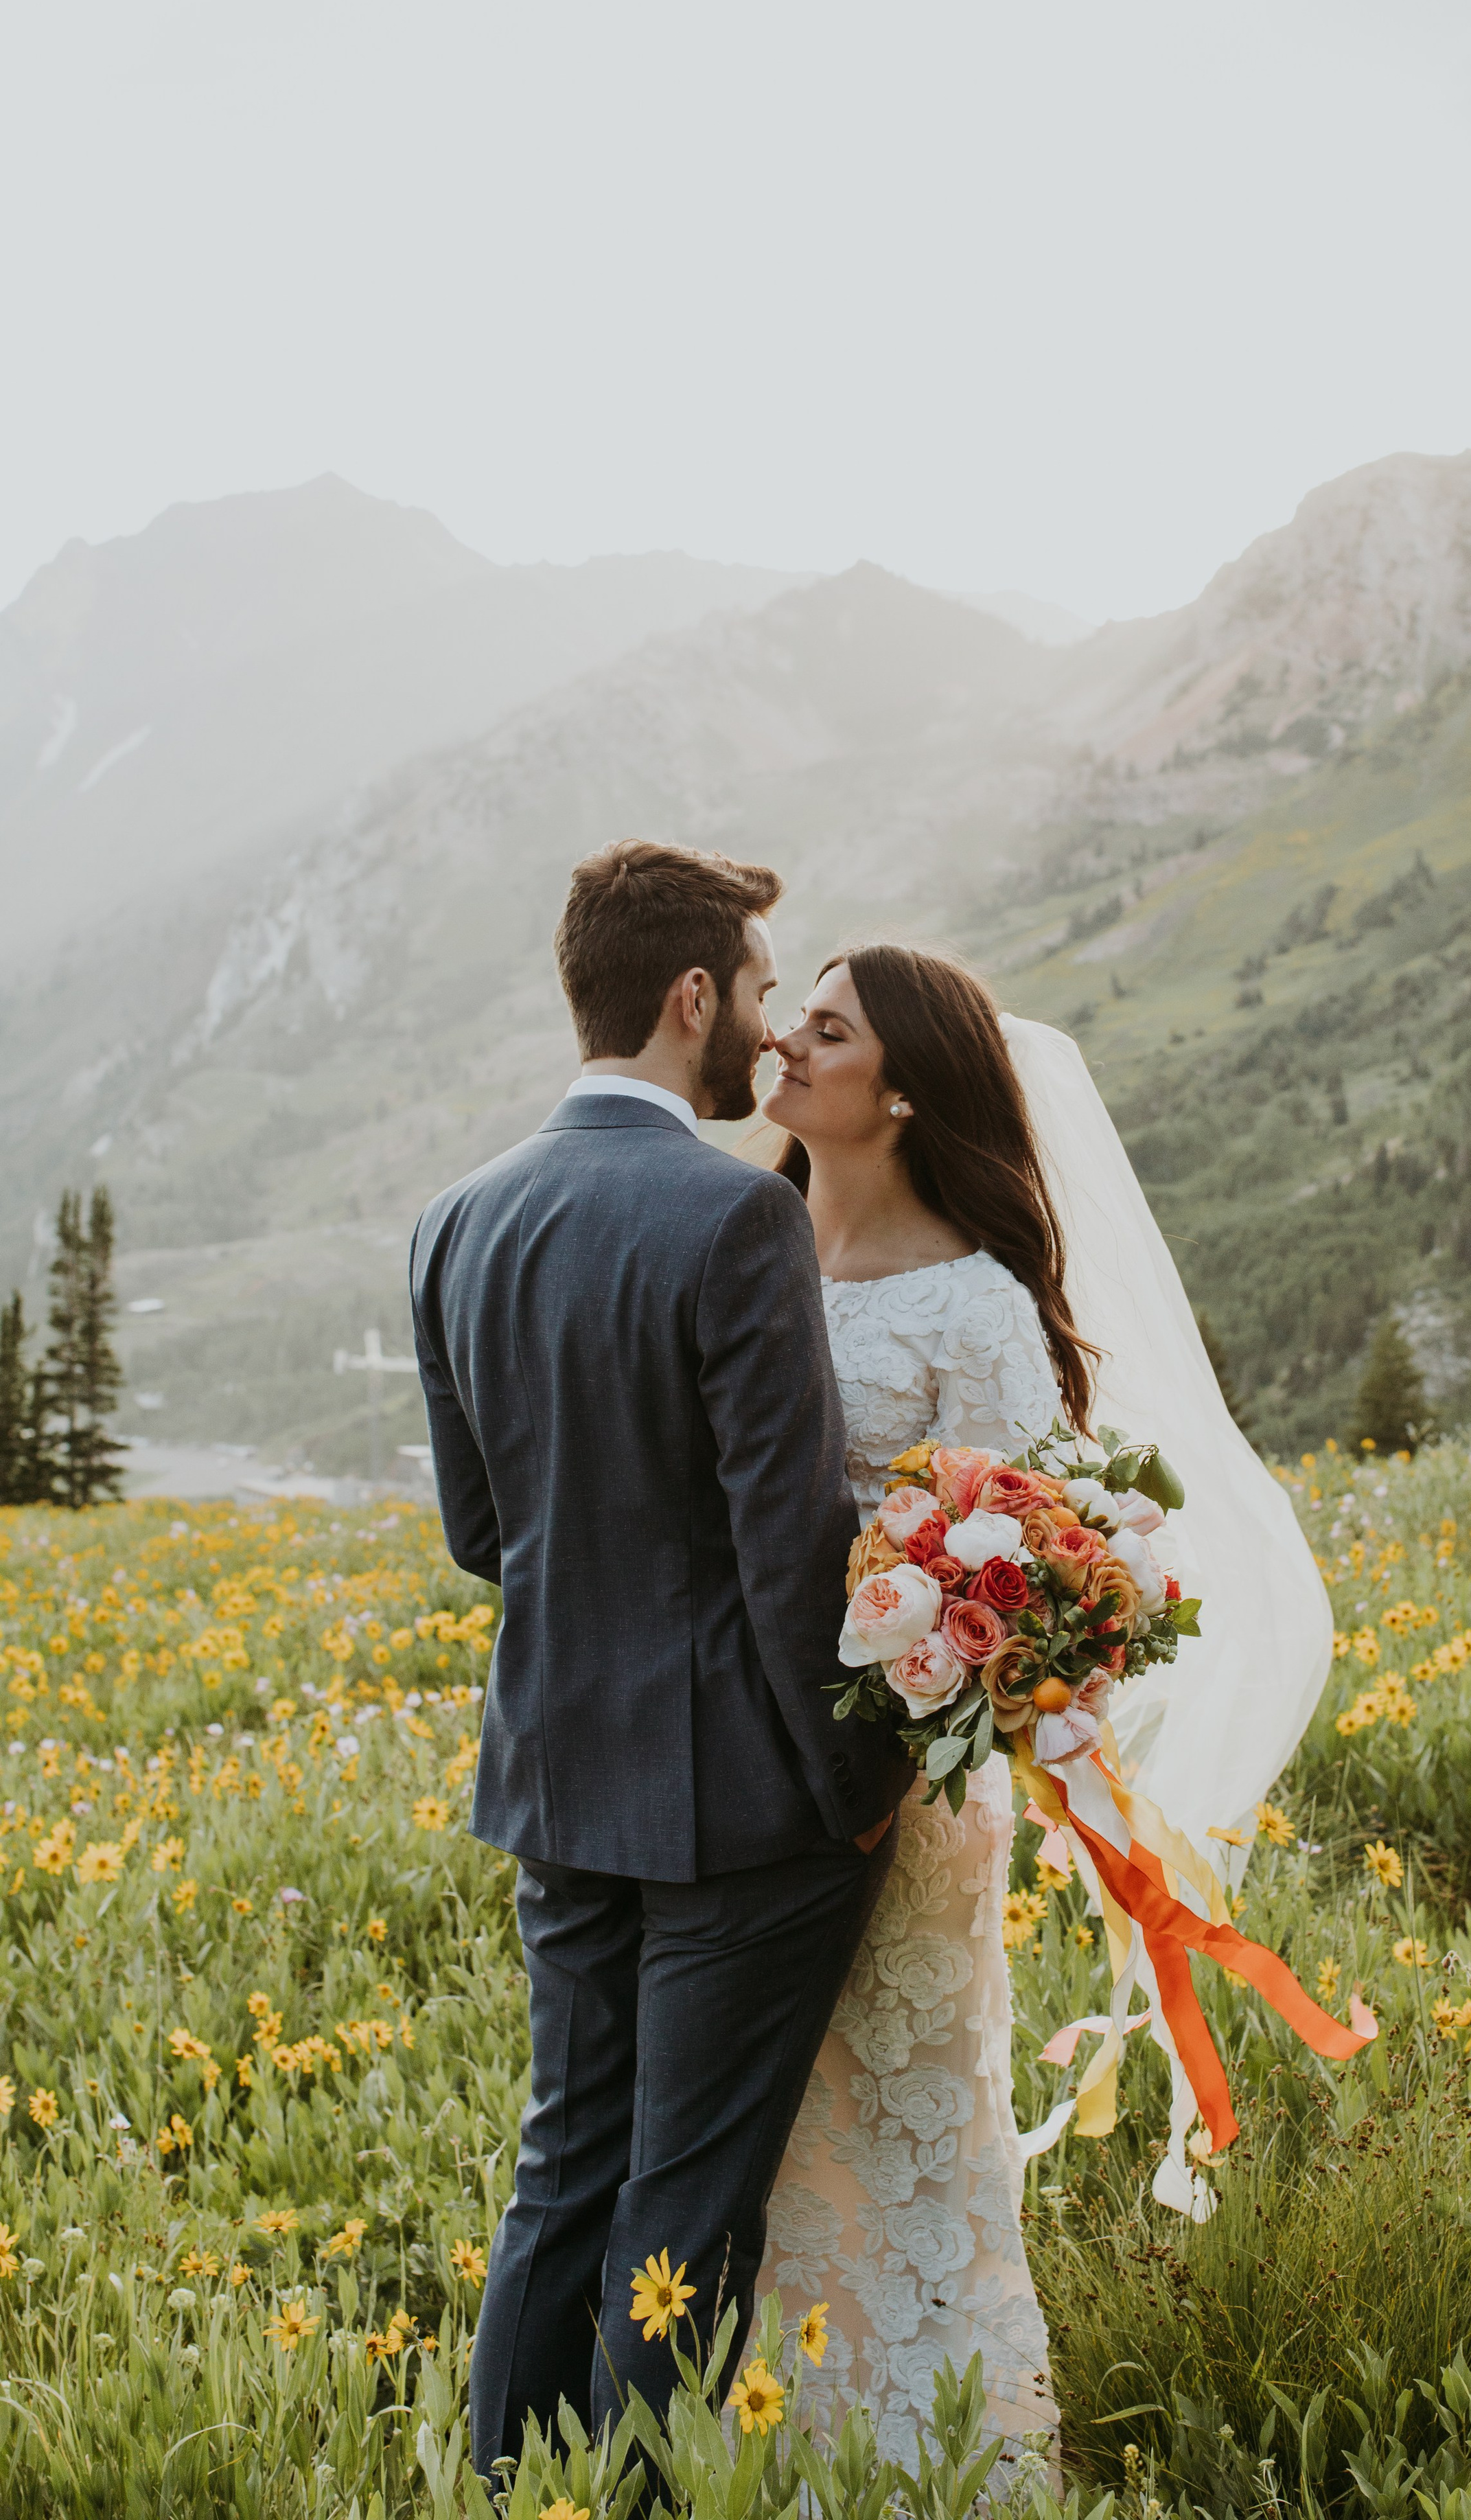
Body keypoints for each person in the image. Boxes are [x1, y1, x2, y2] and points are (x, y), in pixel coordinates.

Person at [409, 840, 913, 2482]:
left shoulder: (452, 1223)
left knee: (562, 2174)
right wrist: (854, 1791)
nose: (765, 1030)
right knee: (686, 2203)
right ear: (689, 994)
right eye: (760, 991)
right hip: (745, 1819)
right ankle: (628, 2503)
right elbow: (789, 1560)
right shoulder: (733, 1218)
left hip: (555, 1789)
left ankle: (510, 2494)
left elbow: (484, 1538)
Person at [750, 944, 1095, 2461]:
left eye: (826, 1028)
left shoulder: (972, 1306)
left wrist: (918, 1701)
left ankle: (922, 2445)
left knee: (892, 2110)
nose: (786, 1042)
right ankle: (748, 2430)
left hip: (904, 1771)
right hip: (726, 1750)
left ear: (897, 1088)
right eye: (792, 1014)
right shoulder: (736, 1241)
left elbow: (1020, 1557)